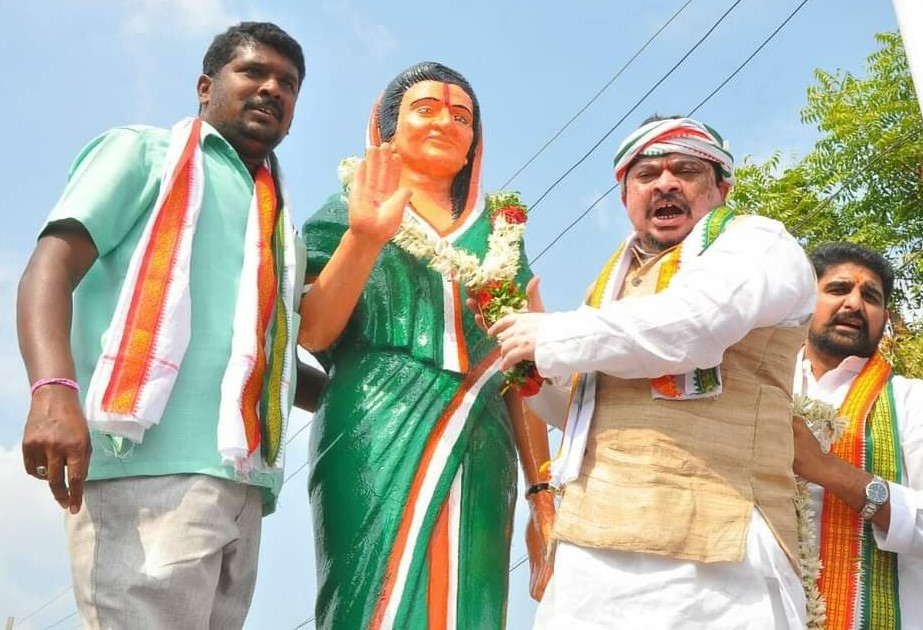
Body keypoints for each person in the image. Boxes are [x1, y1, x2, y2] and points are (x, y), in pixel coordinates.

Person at [16, 22, 315, 629]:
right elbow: (51, 267)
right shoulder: (146, 154)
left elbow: (272, 361)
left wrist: (382, 394)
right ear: (206, 86)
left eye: (287, 84)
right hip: (143, 464)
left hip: (243, 484)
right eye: (253, 72)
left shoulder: (280, 225)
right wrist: (51, 391)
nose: (271, 89)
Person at [489, 115, 818, 628]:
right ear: (625, 197)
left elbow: (694, 327)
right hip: (591, 553)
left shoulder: (756, 242)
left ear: (722, 188)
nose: (665, 183)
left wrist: (552, 335)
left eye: (686, 170)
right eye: (646, 175)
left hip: (716, 557)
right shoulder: (608, 289)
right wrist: (529, 364)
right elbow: (577, 413)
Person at [298, 61, 554, 629]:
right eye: (426, 109)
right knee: (370, 597)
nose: (445, 122)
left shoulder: (501, 235)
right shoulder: (346, 209)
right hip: (374, 422)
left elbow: (523, 372)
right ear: (388, 131)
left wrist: (542, 493)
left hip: (483, 433)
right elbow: (312, 331)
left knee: (472, 598)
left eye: (461, 117)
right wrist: (365, 237)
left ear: (474, 145)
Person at [794, 242, 923, 629]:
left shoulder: (911, 401)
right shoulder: (760, 389)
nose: (853, 303)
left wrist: (828, 470)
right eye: (838, 289)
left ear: (884, 317)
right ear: (804, 301)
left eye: (871, 296)